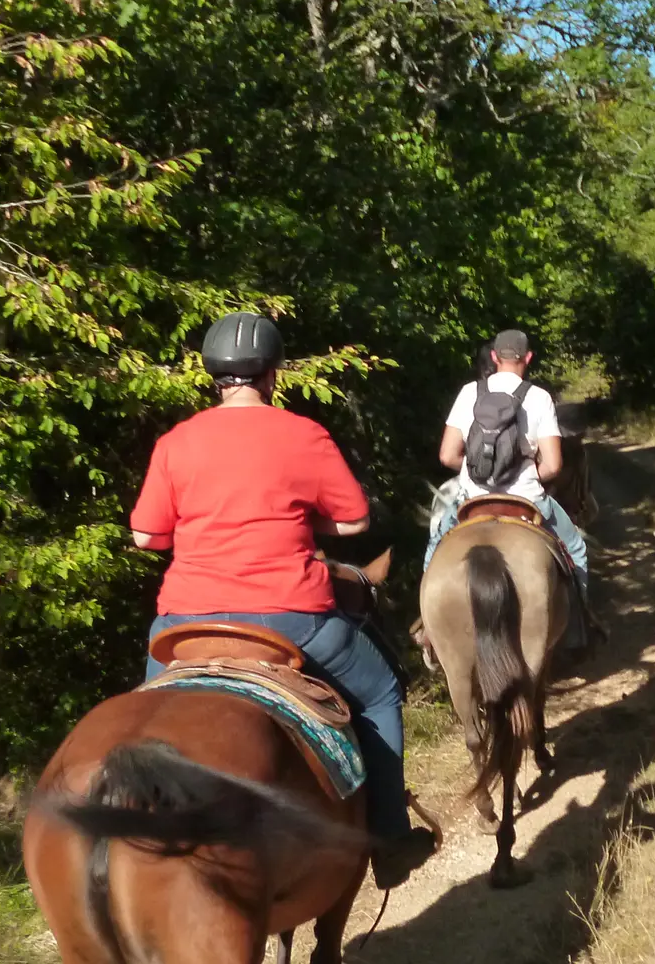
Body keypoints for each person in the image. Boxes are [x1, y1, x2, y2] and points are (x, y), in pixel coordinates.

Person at [129, 311, 436, 889]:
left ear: (212, 375)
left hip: (184, 624)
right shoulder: (303, 434)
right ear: (271, 374)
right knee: (379, 692)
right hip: (291, 618)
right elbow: (355, 520)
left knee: (140, 719)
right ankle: (391, 838)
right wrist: (301, 518)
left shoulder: (177, 442)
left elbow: (146, 536)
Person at [423, 329, 597, 648]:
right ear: (527, 358)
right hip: (526, 498)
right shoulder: (539, 397)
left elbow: (447, 455)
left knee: (436, 546)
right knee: (576, 549)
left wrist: (474, 475)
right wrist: (529, 474)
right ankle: (578, 629)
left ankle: (428, 629)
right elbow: (555, 465)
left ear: (494, 357)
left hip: (472, 498)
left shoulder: (469, 393)